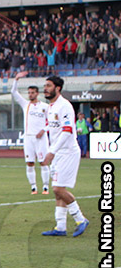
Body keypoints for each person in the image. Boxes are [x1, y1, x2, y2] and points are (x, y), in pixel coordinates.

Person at [40, 76, 89, 237]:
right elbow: (53, 129)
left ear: (58, 88)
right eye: (45, 86)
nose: (45, 88)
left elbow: (67, 131)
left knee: (58, 189)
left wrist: (52, 151)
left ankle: (80, 219)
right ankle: (60, 227)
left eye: (49, 86)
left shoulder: (65, 106)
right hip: (58, 153)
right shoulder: (51, 107)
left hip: (67, 152)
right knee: (57, 191)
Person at [13, 71, 51, 194]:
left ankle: (45, 187)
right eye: (29, 93)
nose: (30, 94)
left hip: (41, 138)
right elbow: (14, 92)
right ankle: (33, 187)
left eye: (32, 92)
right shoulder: (25, 105)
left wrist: (43, 130)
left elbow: (52, 122)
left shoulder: (45, 106)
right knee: (30, 163)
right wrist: (16, 79)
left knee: (43, 162)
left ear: (37, 93)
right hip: (28, 138)